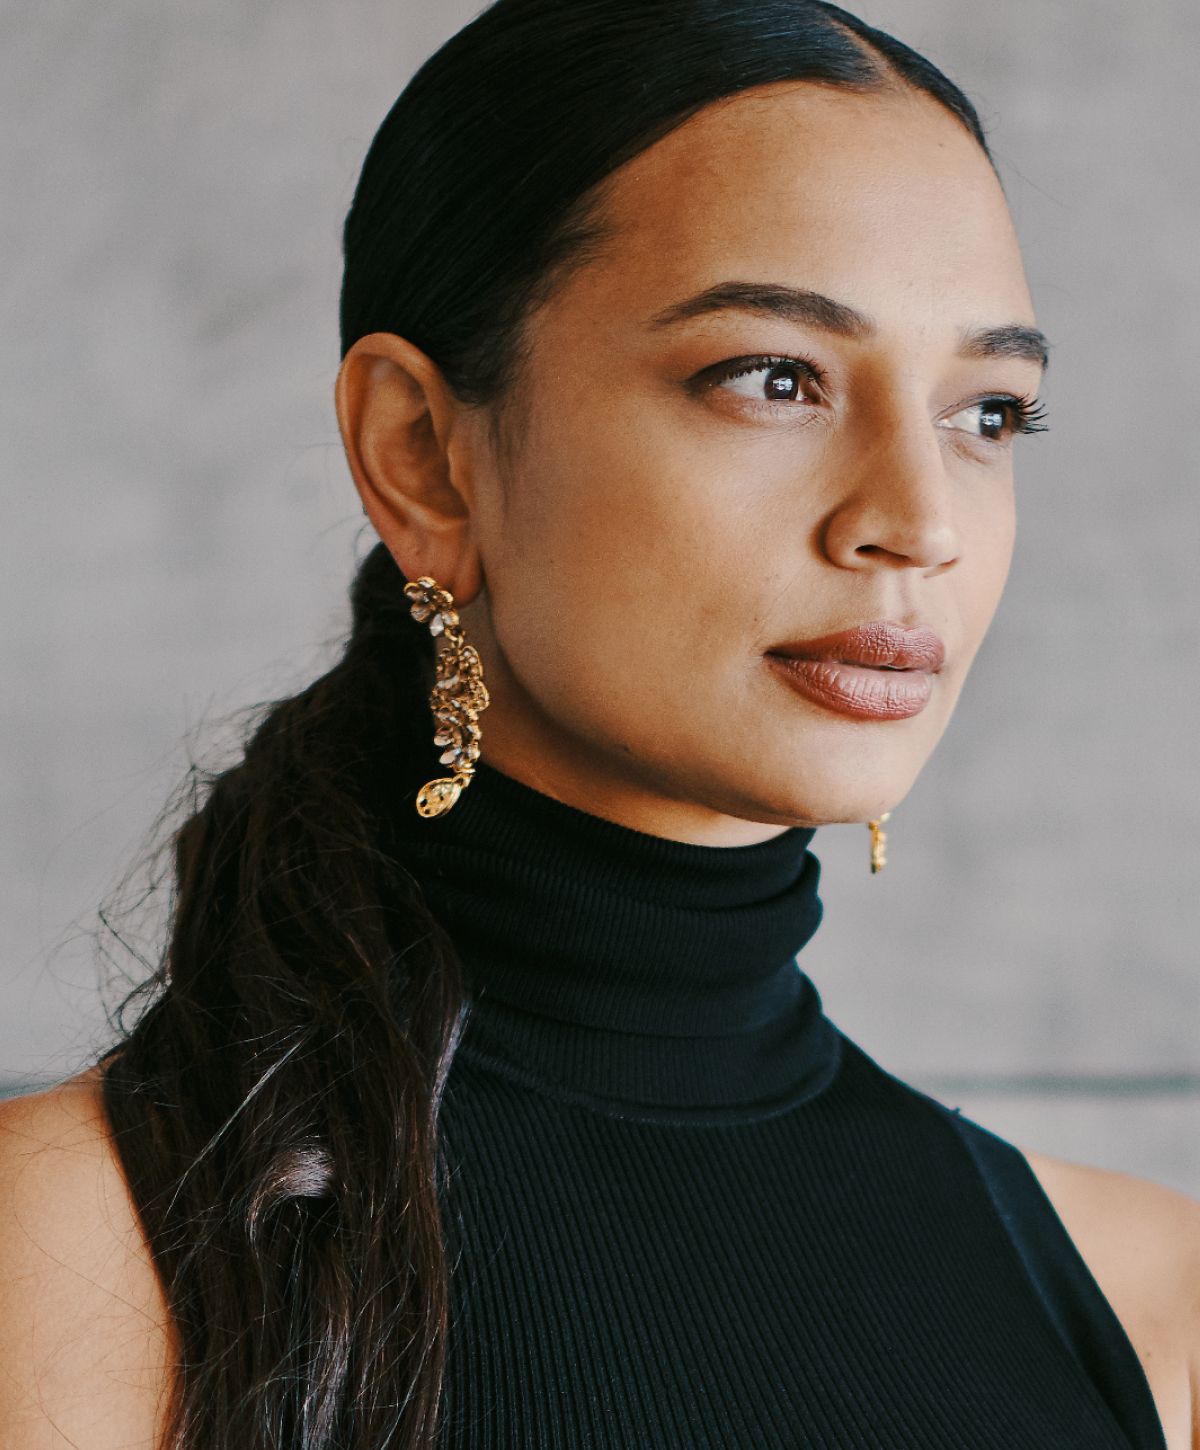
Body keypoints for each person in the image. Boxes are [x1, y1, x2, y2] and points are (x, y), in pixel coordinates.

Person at [1, 0, 1197, 1446]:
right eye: (774, 377)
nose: (918, 521)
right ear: (421, 454)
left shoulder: (1151, 1312)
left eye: (990, 413)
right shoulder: (65, 1262)